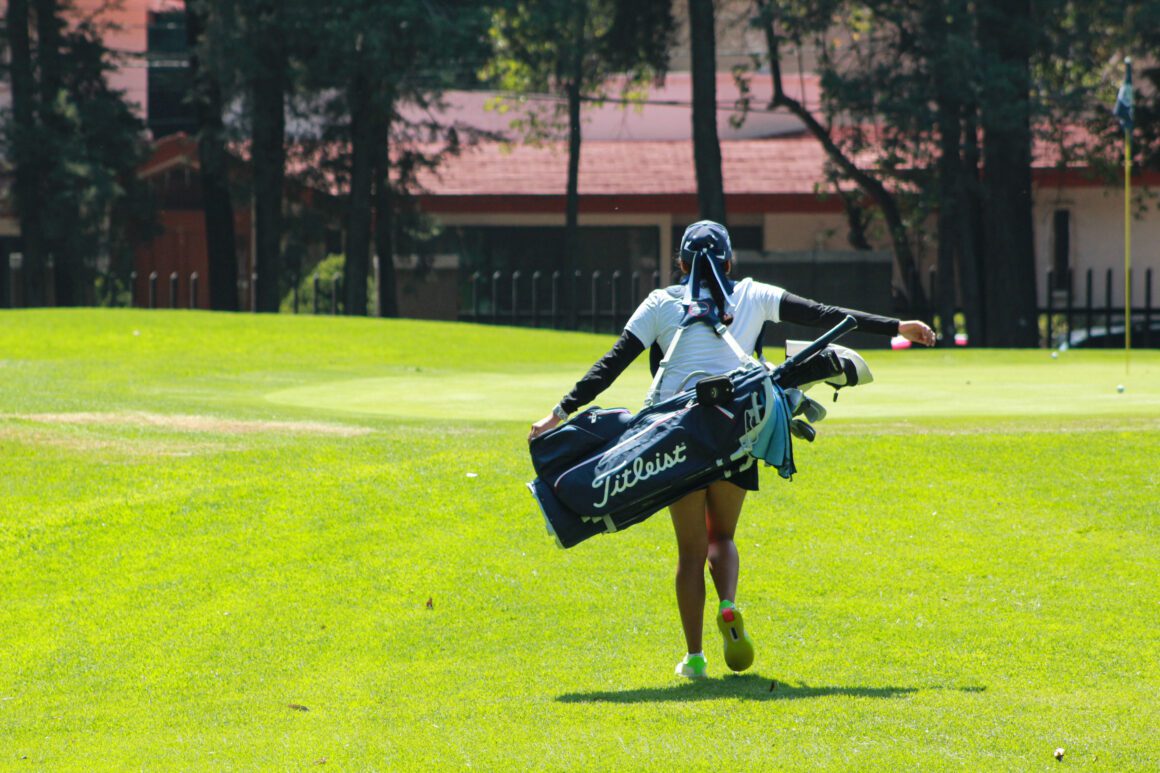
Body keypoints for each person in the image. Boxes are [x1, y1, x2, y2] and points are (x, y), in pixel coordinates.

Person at [528, 221, 935, 678]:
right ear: (728, 262)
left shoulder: (660, 303)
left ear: (681, 263)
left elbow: (610, 365)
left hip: (675, 440)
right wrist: (897, 326)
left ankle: (695, 658)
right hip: (735, 435)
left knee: (690, 553)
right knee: (721, 538)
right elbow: (824, 314)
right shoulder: (753, 294)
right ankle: (727, 603)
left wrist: (557, 414)